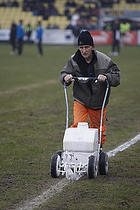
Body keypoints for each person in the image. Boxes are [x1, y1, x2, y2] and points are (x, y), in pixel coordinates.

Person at [60, 31, 120, 152]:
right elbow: (64, 73)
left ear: (93, 47)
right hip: (81, 99)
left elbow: (117, 77)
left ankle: (98, 150)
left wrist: (107, 77)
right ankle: (76, 151)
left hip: (98, 101)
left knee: (98, 129)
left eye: (87, 47)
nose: (84, 51)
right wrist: (66, 78)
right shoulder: (73, 60)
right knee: (77, 125)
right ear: (78, 48)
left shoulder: (105, 60)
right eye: (81, 48)